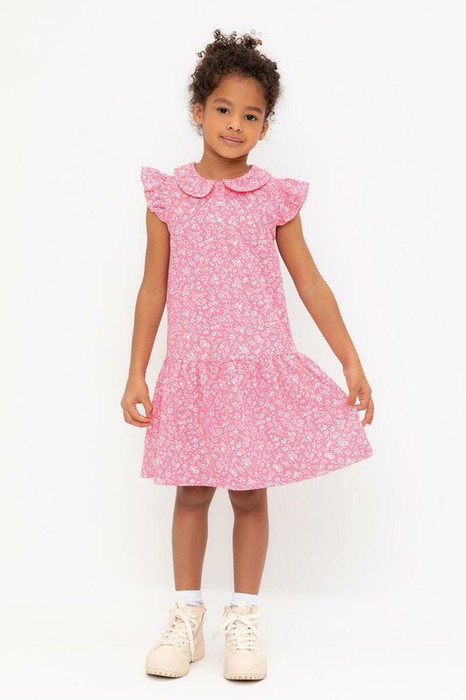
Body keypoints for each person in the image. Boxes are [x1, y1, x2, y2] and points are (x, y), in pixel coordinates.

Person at [121, 28, 374, 682]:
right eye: (224, 109)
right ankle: (186, 616)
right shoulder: (168, 196)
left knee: (250, 494)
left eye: (252, 115)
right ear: (198, 111)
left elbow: (309, 282)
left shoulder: (273, 198)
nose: (236, 124)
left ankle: (244, 619)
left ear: (265, 127)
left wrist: (349, 359)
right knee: (192, 490)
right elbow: (153, 288)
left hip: (256, 369)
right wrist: (136, 371)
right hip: (193, 369)